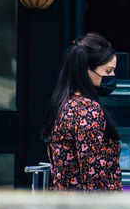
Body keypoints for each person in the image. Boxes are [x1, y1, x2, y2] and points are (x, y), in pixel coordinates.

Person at [42, 32, 122, 191]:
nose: (112, 76)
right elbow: (94, 176)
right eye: (108, 71)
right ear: (86, 70)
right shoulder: (87, 110)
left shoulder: (65, 103)